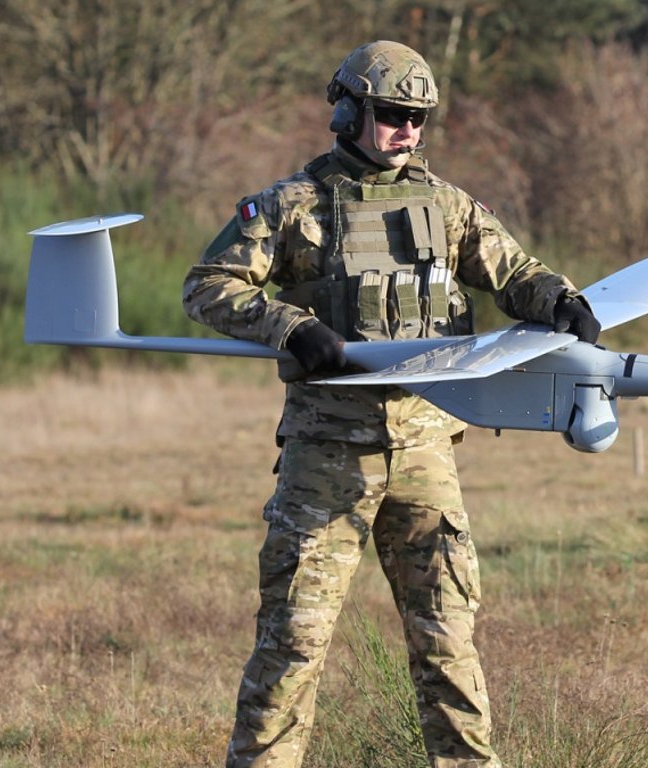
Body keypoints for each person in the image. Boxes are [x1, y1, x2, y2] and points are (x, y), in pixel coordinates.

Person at [183, 40, 600, 768]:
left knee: (449, 646)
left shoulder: (448, 206)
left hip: (426, 452)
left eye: (418, 119)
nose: (406, 131)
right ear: (346, 111)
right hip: (325, 462)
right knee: (292, 647)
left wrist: (560, 299)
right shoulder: (294, 206)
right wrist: (291, 324)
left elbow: (516, 271)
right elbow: (209, 285)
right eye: (391, 115)